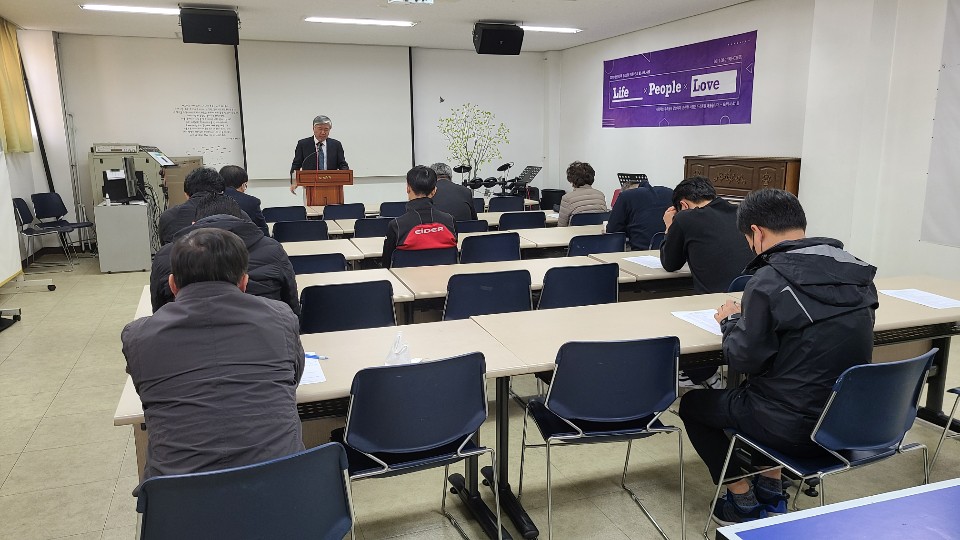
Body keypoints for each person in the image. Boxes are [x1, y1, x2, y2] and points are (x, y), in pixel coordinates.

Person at [678, 189, 879, 525]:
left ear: (756, 232)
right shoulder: (857, 274)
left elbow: (742, 360)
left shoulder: (769, 280)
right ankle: (771, 485)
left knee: (694, 405)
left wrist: (731, 320)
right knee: (780, 387)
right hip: (846, 423)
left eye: (748, 240)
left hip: (791, 428)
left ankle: (741, 499)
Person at [123, 227, 305, 482]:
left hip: (179, 498)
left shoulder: (138, 336)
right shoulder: (282, 318)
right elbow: (293, 379)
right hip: (284, 487)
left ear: (173, 285)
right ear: (244, 282)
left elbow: (149, 394)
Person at [150, 194, 300, 315]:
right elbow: (292, 304)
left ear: (194, 224)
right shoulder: (273, 249)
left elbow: (158, 311)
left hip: (183, 337)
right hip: (266, 334)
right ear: (243, 282)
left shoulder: (166, 256)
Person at [659, 176, 754, 294]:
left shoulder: (685, 217)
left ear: (684, 205)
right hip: (751, 295)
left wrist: (669, 227)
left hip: (714, 300)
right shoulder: (741, 212)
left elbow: (670, 264)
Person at [382, 165, 457, 267]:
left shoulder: (396, 226)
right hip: (445, 277)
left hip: (406, 277)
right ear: (434, 191)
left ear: (408, 188)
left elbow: (386, 264)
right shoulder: (450, 221)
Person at [158, 167, 224, 245]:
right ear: (221, 193)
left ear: (186, 194)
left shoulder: (169, 217)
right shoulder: (233, 213)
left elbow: (165, 247)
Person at [606, 174, 674, 250]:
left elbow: (612, 232)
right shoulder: (670, 192)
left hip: (641, 252)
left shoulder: (626, 196)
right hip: (670, 249)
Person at [290, 115, 349, 193]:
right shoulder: (303, 144)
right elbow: (296, 165)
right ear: (313, 129)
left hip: (332, 186)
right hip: (310, 186)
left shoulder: (336, 144)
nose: (323, 132)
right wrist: (294, 181)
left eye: (326, 129)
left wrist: (344, 175)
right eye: (320, 129)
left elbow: (342, 164)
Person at [220, 165, 268, 236]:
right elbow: (263, 230)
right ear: (243, 185)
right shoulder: (252, 202)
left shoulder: (209, 199)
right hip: (246, 241)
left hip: (216, 241)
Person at [557, 161, 608, 226]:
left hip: (575, 232)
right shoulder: (600, 195)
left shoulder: (567, 198)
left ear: (572, 179)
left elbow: (561, 226)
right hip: (596, 232)